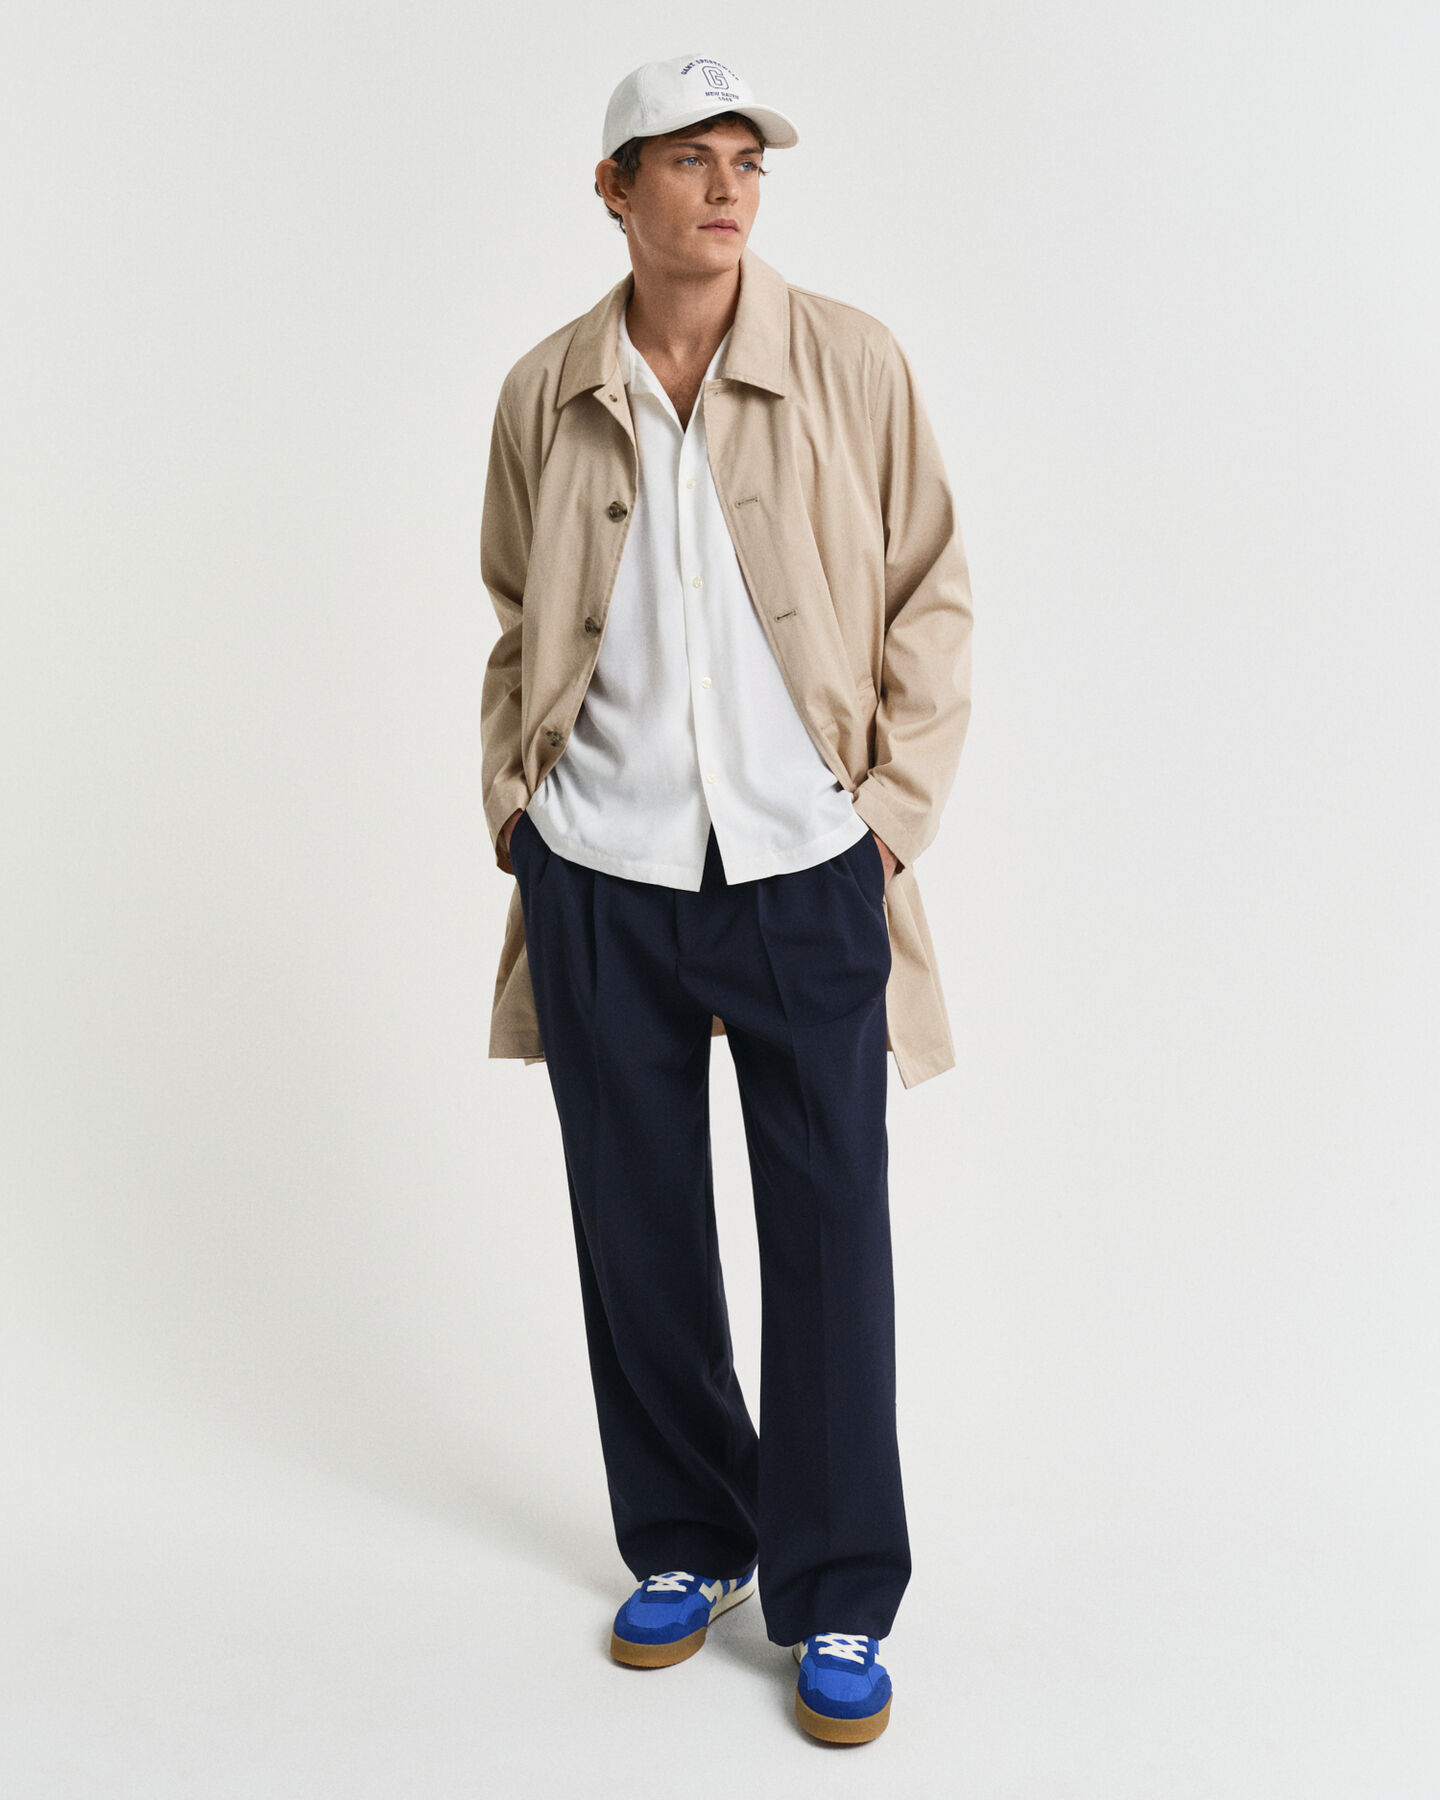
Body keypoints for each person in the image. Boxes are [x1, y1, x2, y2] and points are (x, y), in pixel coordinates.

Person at [479, 52, 973, 1745]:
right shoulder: (545, 391)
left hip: (802, 864)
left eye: (745, 159)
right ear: (613, 189)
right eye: (686, 159)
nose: (726, 187)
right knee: (636, 1227)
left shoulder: (851, 362)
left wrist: (887, 823)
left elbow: (933, 594)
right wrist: (518, 814)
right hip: (602, 869)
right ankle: (692, 1538)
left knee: (830, 1227)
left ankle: (837, 1590)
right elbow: (510, 615)